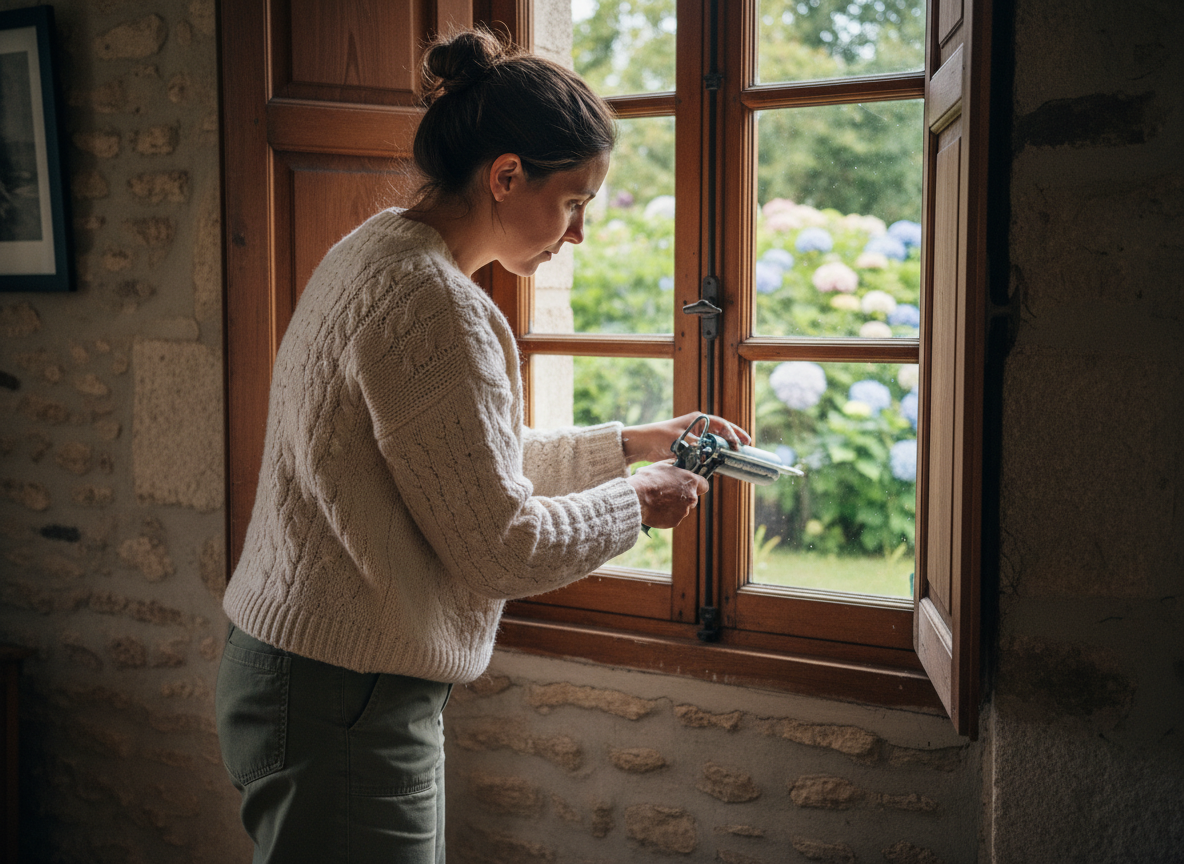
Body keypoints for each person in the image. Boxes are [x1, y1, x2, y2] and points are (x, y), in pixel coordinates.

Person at [214, 26, 749, 863]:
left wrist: (631, 444)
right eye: (573, 202)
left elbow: (452, 466)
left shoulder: (377, 250)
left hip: (303, 670)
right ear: (506, 176)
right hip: (343, 696)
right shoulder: (437, 306)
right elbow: (500, 545)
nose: (577, 234)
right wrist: (638, 501)